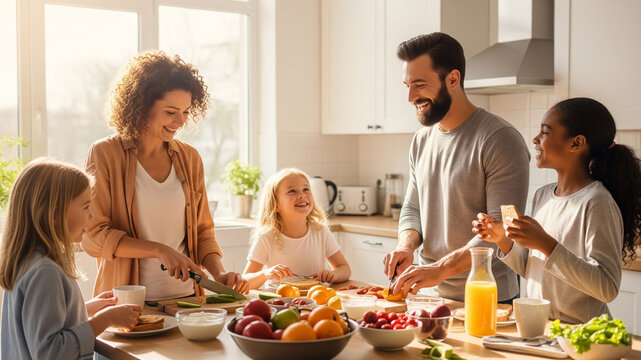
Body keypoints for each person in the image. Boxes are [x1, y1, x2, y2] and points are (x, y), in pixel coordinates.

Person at [81, 51, 248, 302]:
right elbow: (93, 236)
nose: (180, 121)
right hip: (129, 304)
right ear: (141, 105)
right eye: (171, 112)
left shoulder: (189, 158)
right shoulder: (105, 154)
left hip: (189, 299)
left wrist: (219, 273)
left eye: (186, 112)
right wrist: (159, 251)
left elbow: (203, 232)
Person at [383, 32, 530, 302]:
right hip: (429, 294)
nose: (410, 97)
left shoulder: (500, 139)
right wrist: (406, 246)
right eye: (407, 85)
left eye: (419, 84)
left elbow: (501, 228)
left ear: (453, 79)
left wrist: (440, 269)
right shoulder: (421, 140)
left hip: (488, 297)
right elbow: (413, 207)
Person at [473, 97, 641, 323]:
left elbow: (607, 287)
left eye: (545, 132)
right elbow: (533, 269)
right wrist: (502, 239)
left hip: (581, 337)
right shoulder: (543, 195)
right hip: (540, 330)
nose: (535, 139)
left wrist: (546, 244)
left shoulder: (596, 202)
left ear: (576, 143)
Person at [1, 159, 141, 359]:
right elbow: (50, 351)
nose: (92, 216)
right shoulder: (45, 272)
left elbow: (39, 325)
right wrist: (105, 320)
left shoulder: (27, 263)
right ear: (54, 214)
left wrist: (88, 308)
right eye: (85, 207)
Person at [243, 168, 351, 289]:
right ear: (276, 205)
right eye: (292, 191)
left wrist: (334, 275)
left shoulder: (321, 232)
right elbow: (245, 281)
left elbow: (344, 269)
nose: (302, 195)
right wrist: (265, 274)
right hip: (279, 303)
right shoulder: (266, 237)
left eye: (306, 189)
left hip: (316, 301)